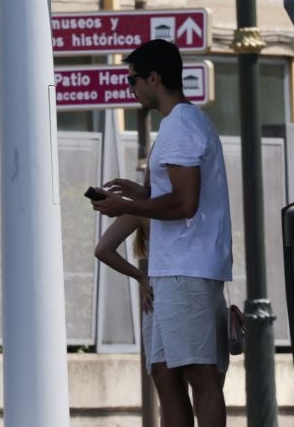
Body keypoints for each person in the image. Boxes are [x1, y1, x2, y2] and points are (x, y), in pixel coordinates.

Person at [93, 39, 234, 427]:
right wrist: (142, 194)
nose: (131, 88)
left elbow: (185, 205)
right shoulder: (183, 124)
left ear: (154, 77)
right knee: (164, 374)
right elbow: (179, 198)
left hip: (187, 269)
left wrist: (128, 207)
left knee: (199, 375)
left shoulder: (181, 126)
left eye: (133, 80)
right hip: (172, 270)